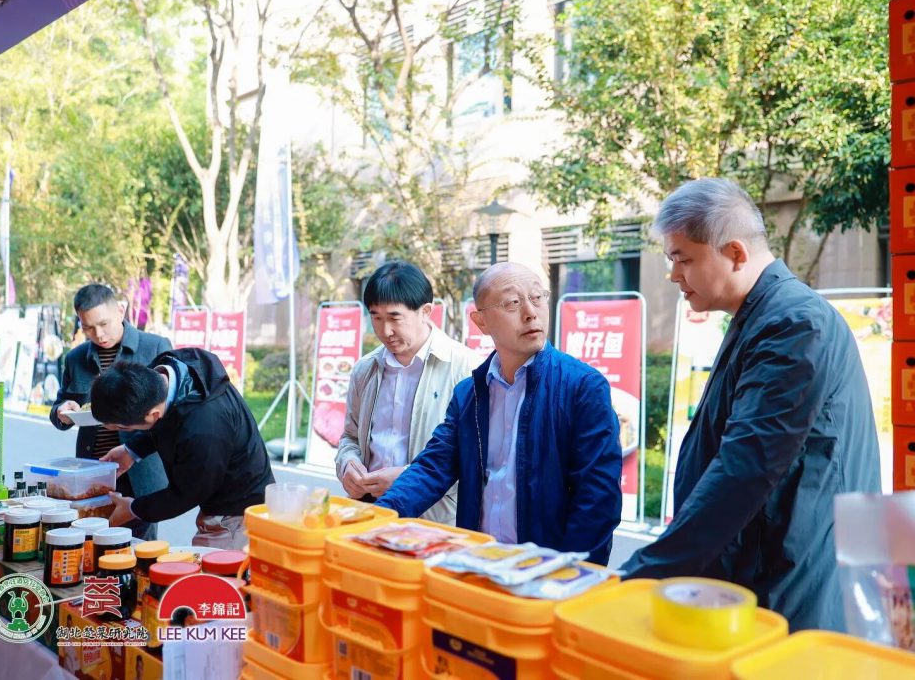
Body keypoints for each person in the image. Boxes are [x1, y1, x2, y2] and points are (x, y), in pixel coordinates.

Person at [620, 178, 880, 631]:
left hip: (788, 578)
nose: (673, 275)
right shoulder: (764, 315)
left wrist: (644, 572)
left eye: (683, 259)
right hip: (766, 563)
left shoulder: (794, 323)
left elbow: (747, 465)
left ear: (736, 253)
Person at [374, 262, 622, 564]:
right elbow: (432, 467)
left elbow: (598, 500)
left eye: (537, 297)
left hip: (546, 573)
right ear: (481, 321)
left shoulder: (582, 386)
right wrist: (376, 517)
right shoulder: (469, 393)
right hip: (477, 564)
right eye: (512, 302)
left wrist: (565, 574)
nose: (530, 313)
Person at [336, 262, 480, 525]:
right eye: (376, 318)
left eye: (395, 318)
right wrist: (348, 463)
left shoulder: (466, 369)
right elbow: (350, 436)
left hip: (433, 520)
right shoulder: (365, 369)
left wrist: (408, 478)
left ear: (426, 311)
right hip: (371, 513)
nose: (385, 331)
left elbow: (477, 456)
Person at [91, 347, 275, 550]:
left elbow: (188, 492)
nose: (121, 431)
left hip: (236, 512)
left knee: (210, 569)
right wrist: (131, 450)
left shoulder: (205, 427)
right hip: (216, 490)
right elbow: (167, 420)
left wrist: (134, 508)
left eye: (123, 428)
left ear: (153, 415)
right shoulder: (166, 371)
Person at [50, 284, 172, 539]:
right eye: (88, 328)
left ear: (120, 310)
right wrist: (62, 411)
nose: (99, 334)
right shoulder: (75, 358)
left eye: (103, 324)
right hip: (92, 473)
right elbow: (60, 408)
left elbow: (170, 412)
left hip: (140, 473)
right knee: (90, 543)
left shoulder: (155, 347)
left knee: (138, 549)